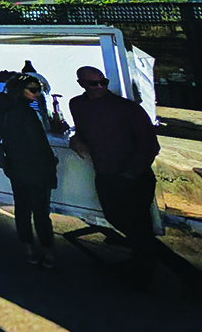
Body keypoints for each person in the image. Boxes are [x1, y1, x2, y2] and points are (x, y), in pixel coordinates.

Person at [69, 66, 201, 291]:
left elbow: (150, 144)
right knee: (121, 221)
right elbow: (82, 130)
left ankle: (152, 275)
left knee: (138, 227)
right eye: (93, 83)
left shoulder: (127, 109)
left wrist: (133, 171)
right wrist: (76, 140)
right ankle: (172, 271)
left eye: (104, 82)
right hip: (105, 174)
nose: (100, 87)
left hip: (134, 177)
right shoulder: (77, 105)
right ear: (81, 83)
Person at [0, 75, 59, 268]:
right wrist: (50, 162)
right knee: (40, 212)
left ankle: (28, 249)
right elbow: (38, 144)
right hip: (35, 168)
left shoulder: (2, 106)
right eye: (32, 89)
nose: (37, 93)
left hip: (14, 166)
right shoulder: (27, 113)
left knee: (22, 209)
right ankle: (48, 251)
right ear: (20, 90)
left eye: (38, 90)